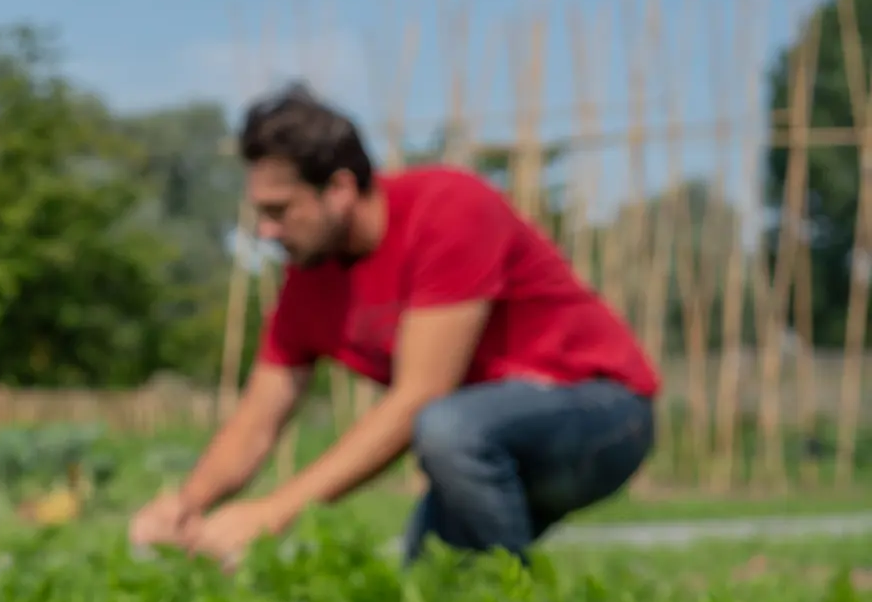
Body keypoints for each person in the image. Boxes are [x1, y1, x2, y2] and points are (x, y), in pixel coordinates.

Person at [130, 84, 660, 569]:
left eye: (279, 210)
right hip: (478, 439)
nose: (266, 230)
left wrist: (273, 512)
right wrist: (185, 506)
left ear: (338, 188)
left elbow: (420, 397)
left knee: (447, 429)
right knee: (428, 587)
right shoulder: (307, 283)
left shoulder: (448, 208)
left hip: (603, 414)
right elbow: (257, 420)